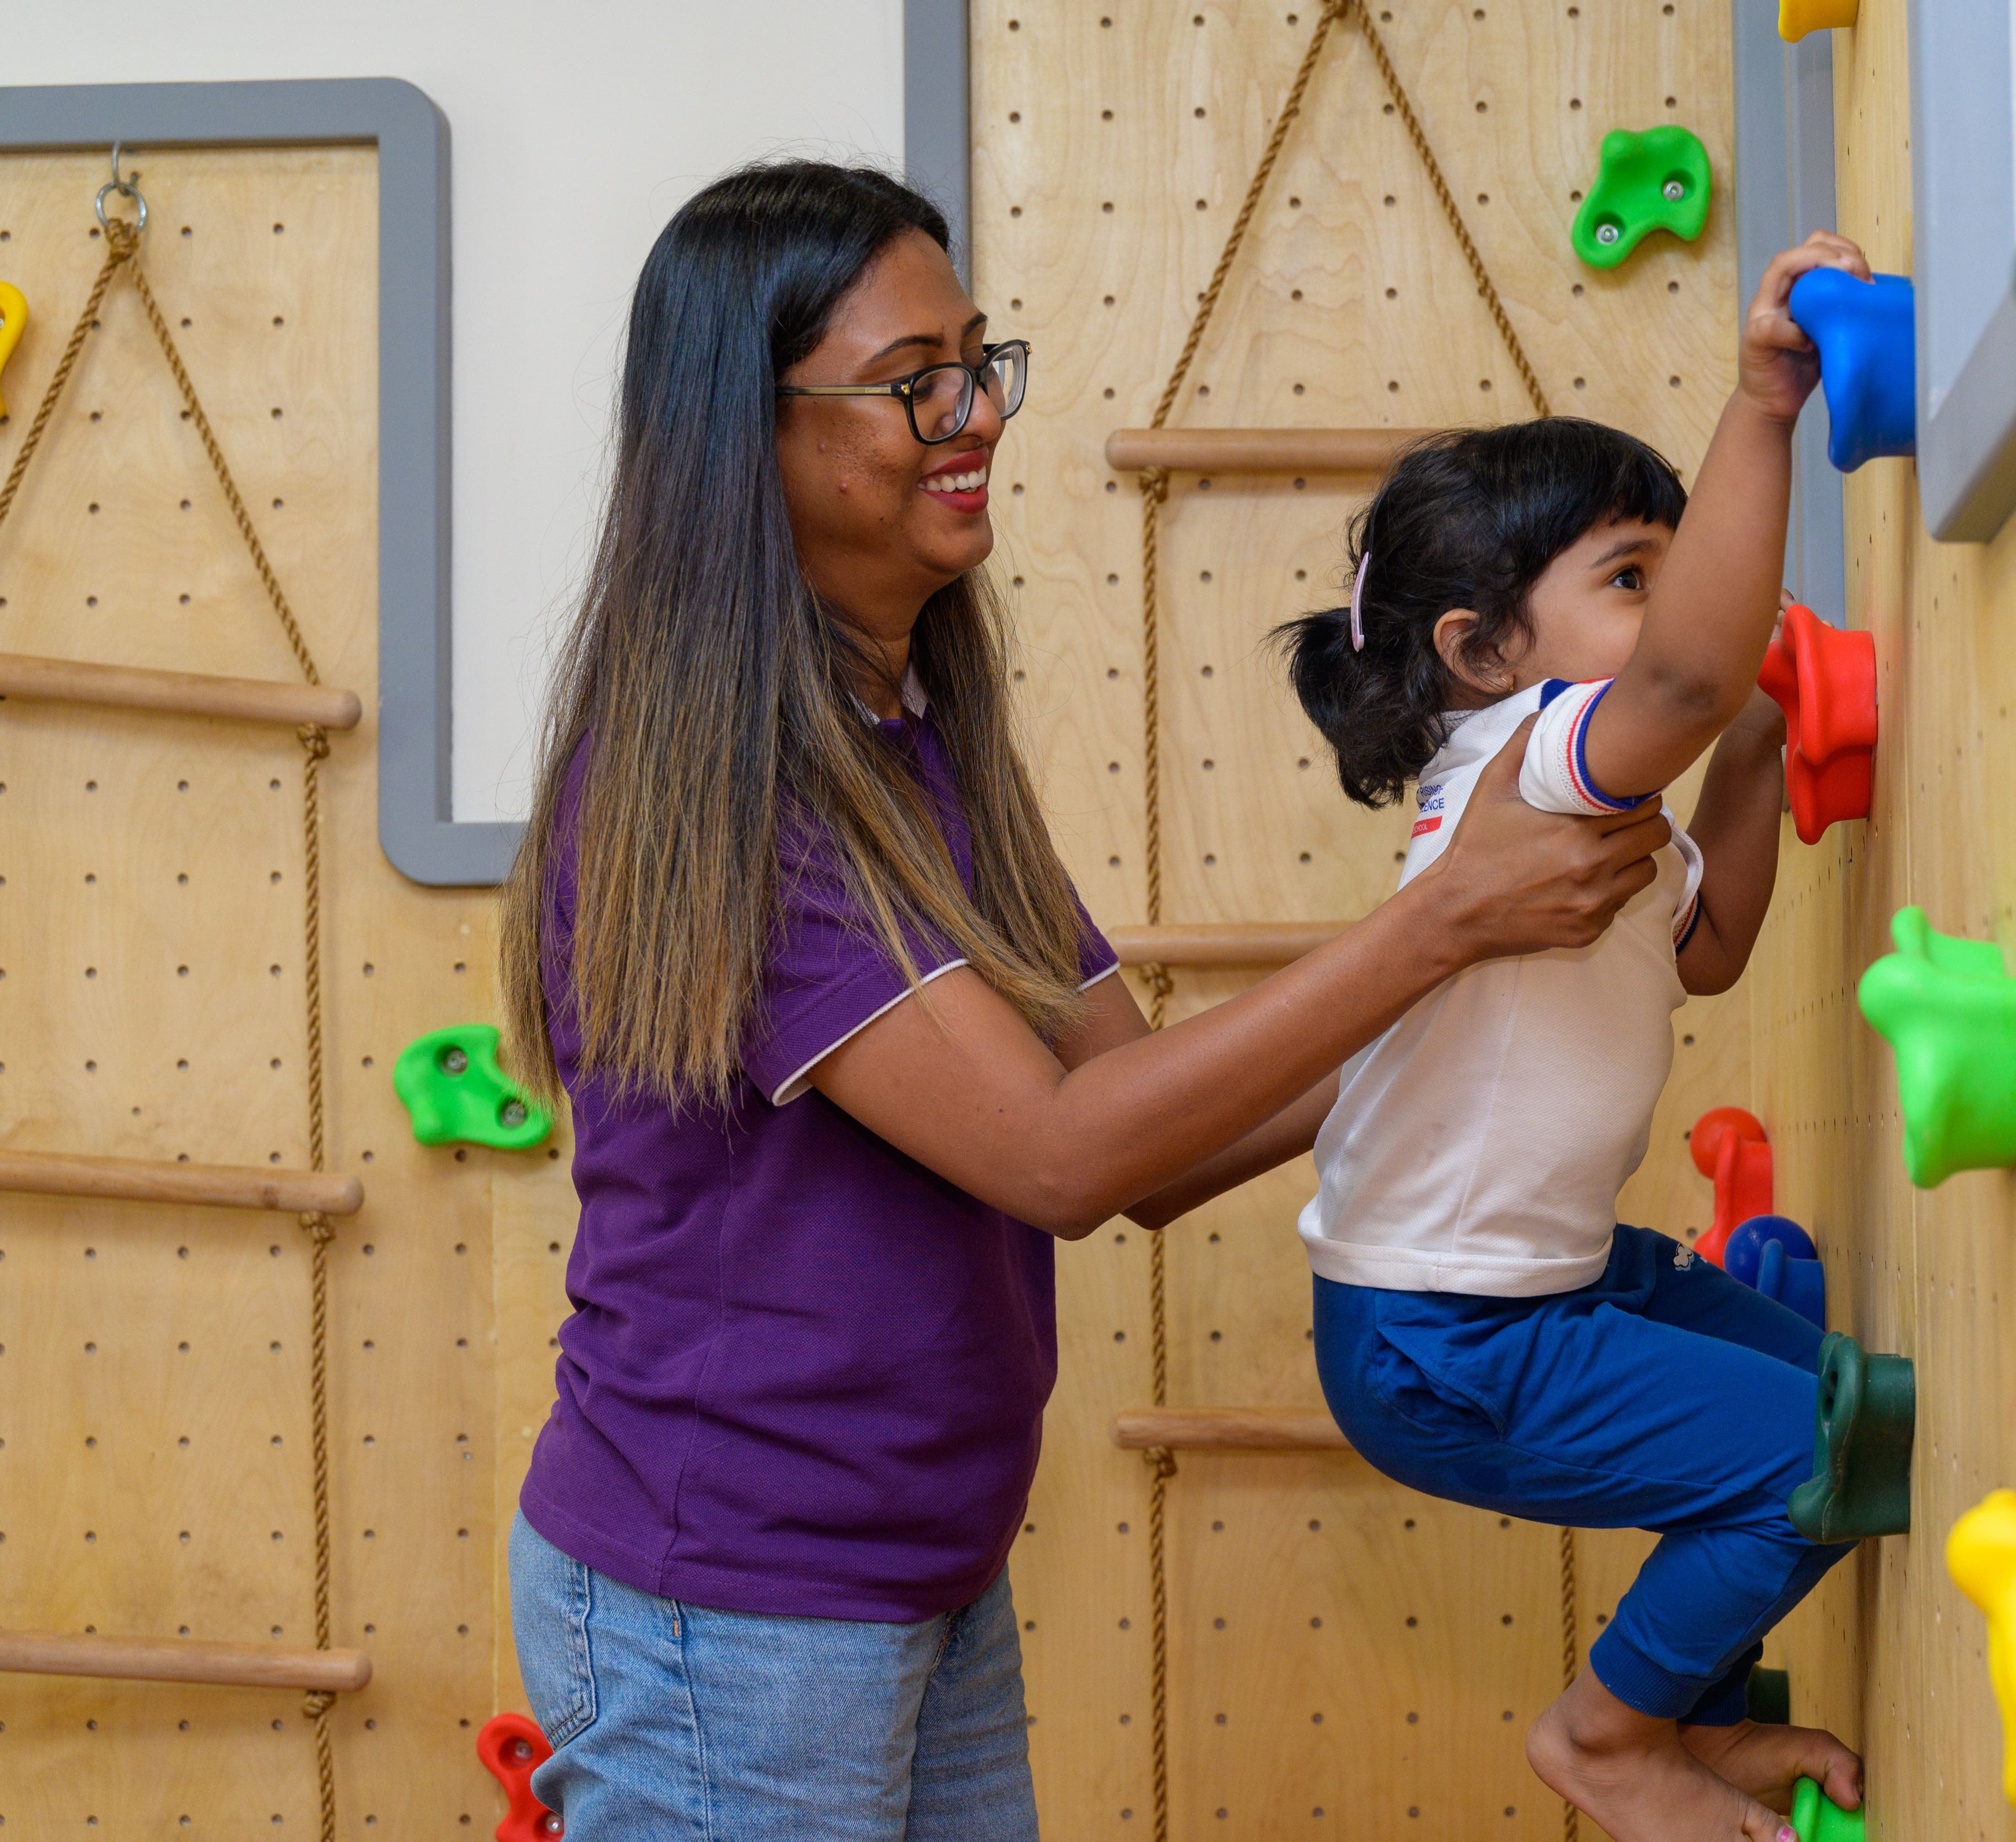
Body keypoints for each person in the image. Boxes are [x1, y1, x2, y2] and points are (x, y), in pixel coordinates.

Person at [493, 160, 1666, 1841]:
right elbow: (1062, 1155)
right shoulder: (731, 799)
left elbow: (1151, 1126)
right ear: (746, 437)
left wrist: (1479, 976)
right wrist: (1440, 930)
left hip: (914, 1566)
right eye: (916, 384)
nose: (975, 414)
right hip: (730, 1611)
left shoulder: (916, 742)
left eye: (978, 363)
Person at [1274, 234, 1875, 1842]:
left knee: (1837, 1406)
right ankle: (1606, 1738)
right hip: (1446, 1331)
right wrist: (1762, 410)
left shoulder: (1600, 808)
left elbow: (1712, 951)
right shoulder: (1533, 757)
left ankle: (1692, 1722)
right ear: (1487, 653)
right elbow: (1685, 673)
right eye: (1631, 577)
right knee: (1816, 1453)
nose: (1676, 604)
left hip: (1540, 1282)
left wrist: (1753, 756)